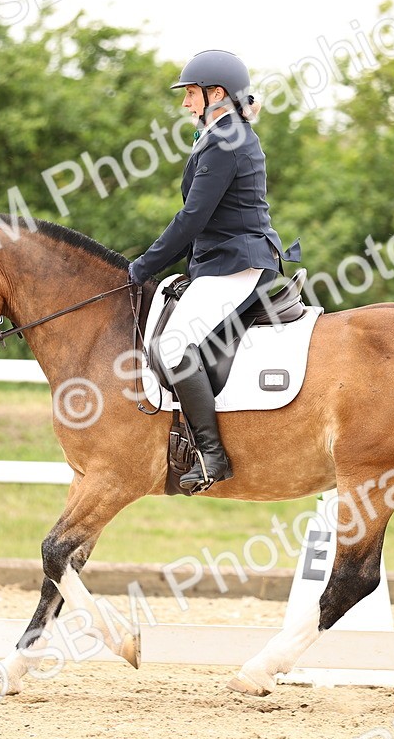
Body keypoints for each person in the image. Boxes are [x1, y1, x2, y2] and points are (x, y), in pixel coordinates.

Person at [128, 49, 301, 494]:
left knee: (174, 343)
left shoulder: (228, 139)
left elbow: (192, 219)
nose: (186, 104)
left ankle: (211, 456)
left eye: (191, 94)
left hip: (238, 263)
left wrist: (144, 266)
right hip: (221, 261)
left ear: (216, 93)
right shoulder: (221, 133)